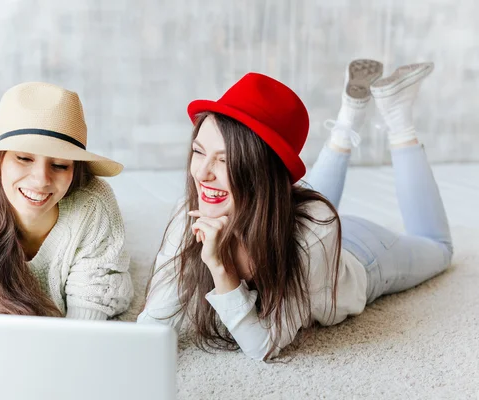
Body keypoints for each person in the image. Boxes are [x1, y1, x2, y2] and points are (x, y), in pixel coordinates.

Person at [137, 61, 452, 361]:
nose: (202, 173)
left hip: (362, 256)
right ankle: (347, 120)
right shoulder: (191, 214)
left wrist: (220, 266)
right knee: (293, 207)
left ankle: (398, 118)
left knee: (439, 249)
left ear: (260, 171)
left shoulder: (315, 232)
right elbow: (153, 325)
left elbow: (262, 345)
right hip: (275, 211)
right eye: (198, 152)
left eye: (223, 160)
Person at [0, 82, 133, 320]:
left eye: (60, 165)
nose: (41, 180)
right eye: (24, 158)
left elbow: (88, 316)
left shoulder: (93, 205)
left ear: (75, 168)